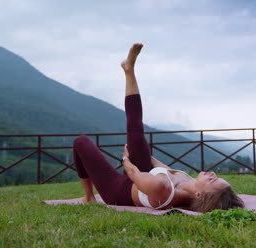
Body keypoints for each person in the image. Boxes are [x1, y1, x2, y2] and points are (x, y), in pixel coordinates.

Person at [73, 43, 244, 213]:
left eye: (212, 181)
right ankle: (129, 70)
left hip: (119, 190)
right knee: (136, 131)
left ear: (199, 195)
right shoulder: (188, 181)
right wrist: (142, 152)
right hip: (145, 174)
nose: (213, 174)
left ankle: (88, 197)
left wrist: (126, 158)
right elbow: (164, 169)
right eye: (217, 177)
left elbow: (133, 174)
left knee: (81, 142)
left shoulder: (164, 189)